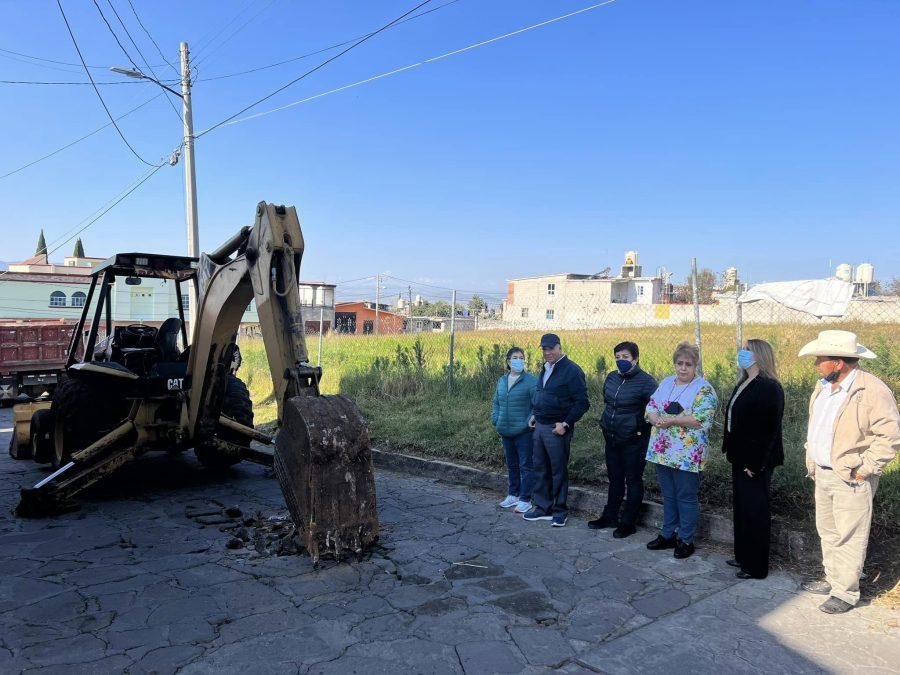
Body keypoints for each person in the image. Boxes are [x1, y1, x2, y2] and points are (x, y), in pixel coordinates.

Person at [797, 330, 899, 614]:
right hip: (824, 472)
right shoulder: (825, 386)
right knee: (828, 531)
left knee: (850, 534)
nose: (817, 363)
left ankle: (846, 591)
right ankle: (833, 578)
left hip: (851, 477)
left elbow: (889, 435)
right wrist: (814, 460)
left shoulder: (871, 390)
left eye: (821, 359)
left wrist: (866, 468)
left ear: (839, 362)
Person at [644, 341, 718, 559]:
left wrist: (672, 420)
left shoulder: (704, 388)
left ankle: (685, 539)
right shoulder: (667, 383)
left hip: (687, 454)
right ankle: (667, 534)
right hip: (662, 451)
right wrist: (654, 416)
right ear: (674, 364)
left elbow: (700, 418)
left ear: (695, 366)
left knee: (685, 496)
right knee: (668, 495)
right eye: (679, 363)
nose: (683, 368)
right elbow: (651, 406)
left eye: (688, 364)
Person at [721, 339, 784, 580]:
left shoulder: (769, 387)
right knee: (742, 509)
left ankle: (756, 566)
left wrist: (755, 464)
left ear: (759, 355)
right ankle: (742, 555)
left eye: (747, 350)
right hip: (739, 457)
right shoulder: (745, 382)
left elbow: (768, 429)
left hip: (755, 461)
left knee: (755, 511)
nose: (741, 353)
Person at [588, 341, 657, 538]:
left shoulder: (647, 382)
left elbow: (655, 408)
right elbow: (608, 402)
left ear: (635, 359)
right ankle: (610, 516)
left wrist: (638, 429)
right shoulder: (611, 378)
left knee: (633, 480)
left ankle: (628, 522)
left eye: (625, 357)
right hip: (611, 438)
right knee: (615, 479)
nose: (621, 361)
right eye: (618, 357)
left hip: (634, 441)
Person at [523, 333, 590, 527]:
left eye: (551, 348)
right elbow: (542, 394)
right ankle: (543, 508)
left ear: (559, 347)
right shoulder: (545, 368)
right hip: (540, 426)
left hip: (557, 428)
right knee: (540, 468)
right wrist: (535, 414)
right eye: (544, 349)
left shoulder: (572, 370)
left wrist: (566, 424)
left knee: (558, 470)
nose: (548, 352)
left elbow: (582, 403)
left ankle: (560, 511)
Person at [491, 347, 539, 514]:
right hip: (505, 430)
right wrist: (496, 419)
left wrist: (529, 420)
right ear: (508, 361)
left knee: (526, 465)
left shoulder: (531, 381)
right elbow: (496, 402)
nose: (519, 360)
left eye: (521, 357)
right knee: (512, 465)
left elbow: (537, 404)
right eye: (515, 357)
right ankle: (513, 494)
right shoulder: (502, 381)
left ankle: (525, 499)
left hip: (523, 431)